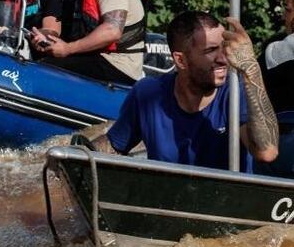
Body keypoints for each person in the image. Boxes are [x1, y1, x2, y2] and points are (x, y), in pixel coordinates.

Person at [107, 11, 279, 171]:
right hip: (166, 201)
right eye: (211, 50)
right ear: (180, 60)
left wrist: (250, 68)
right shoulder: (148, 93)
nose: (223, 59)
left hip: (226, 201)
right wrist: (83, 151)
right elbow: (113, 147)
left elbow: (267, 152)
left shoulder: (235, 91)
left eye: (224, 48)